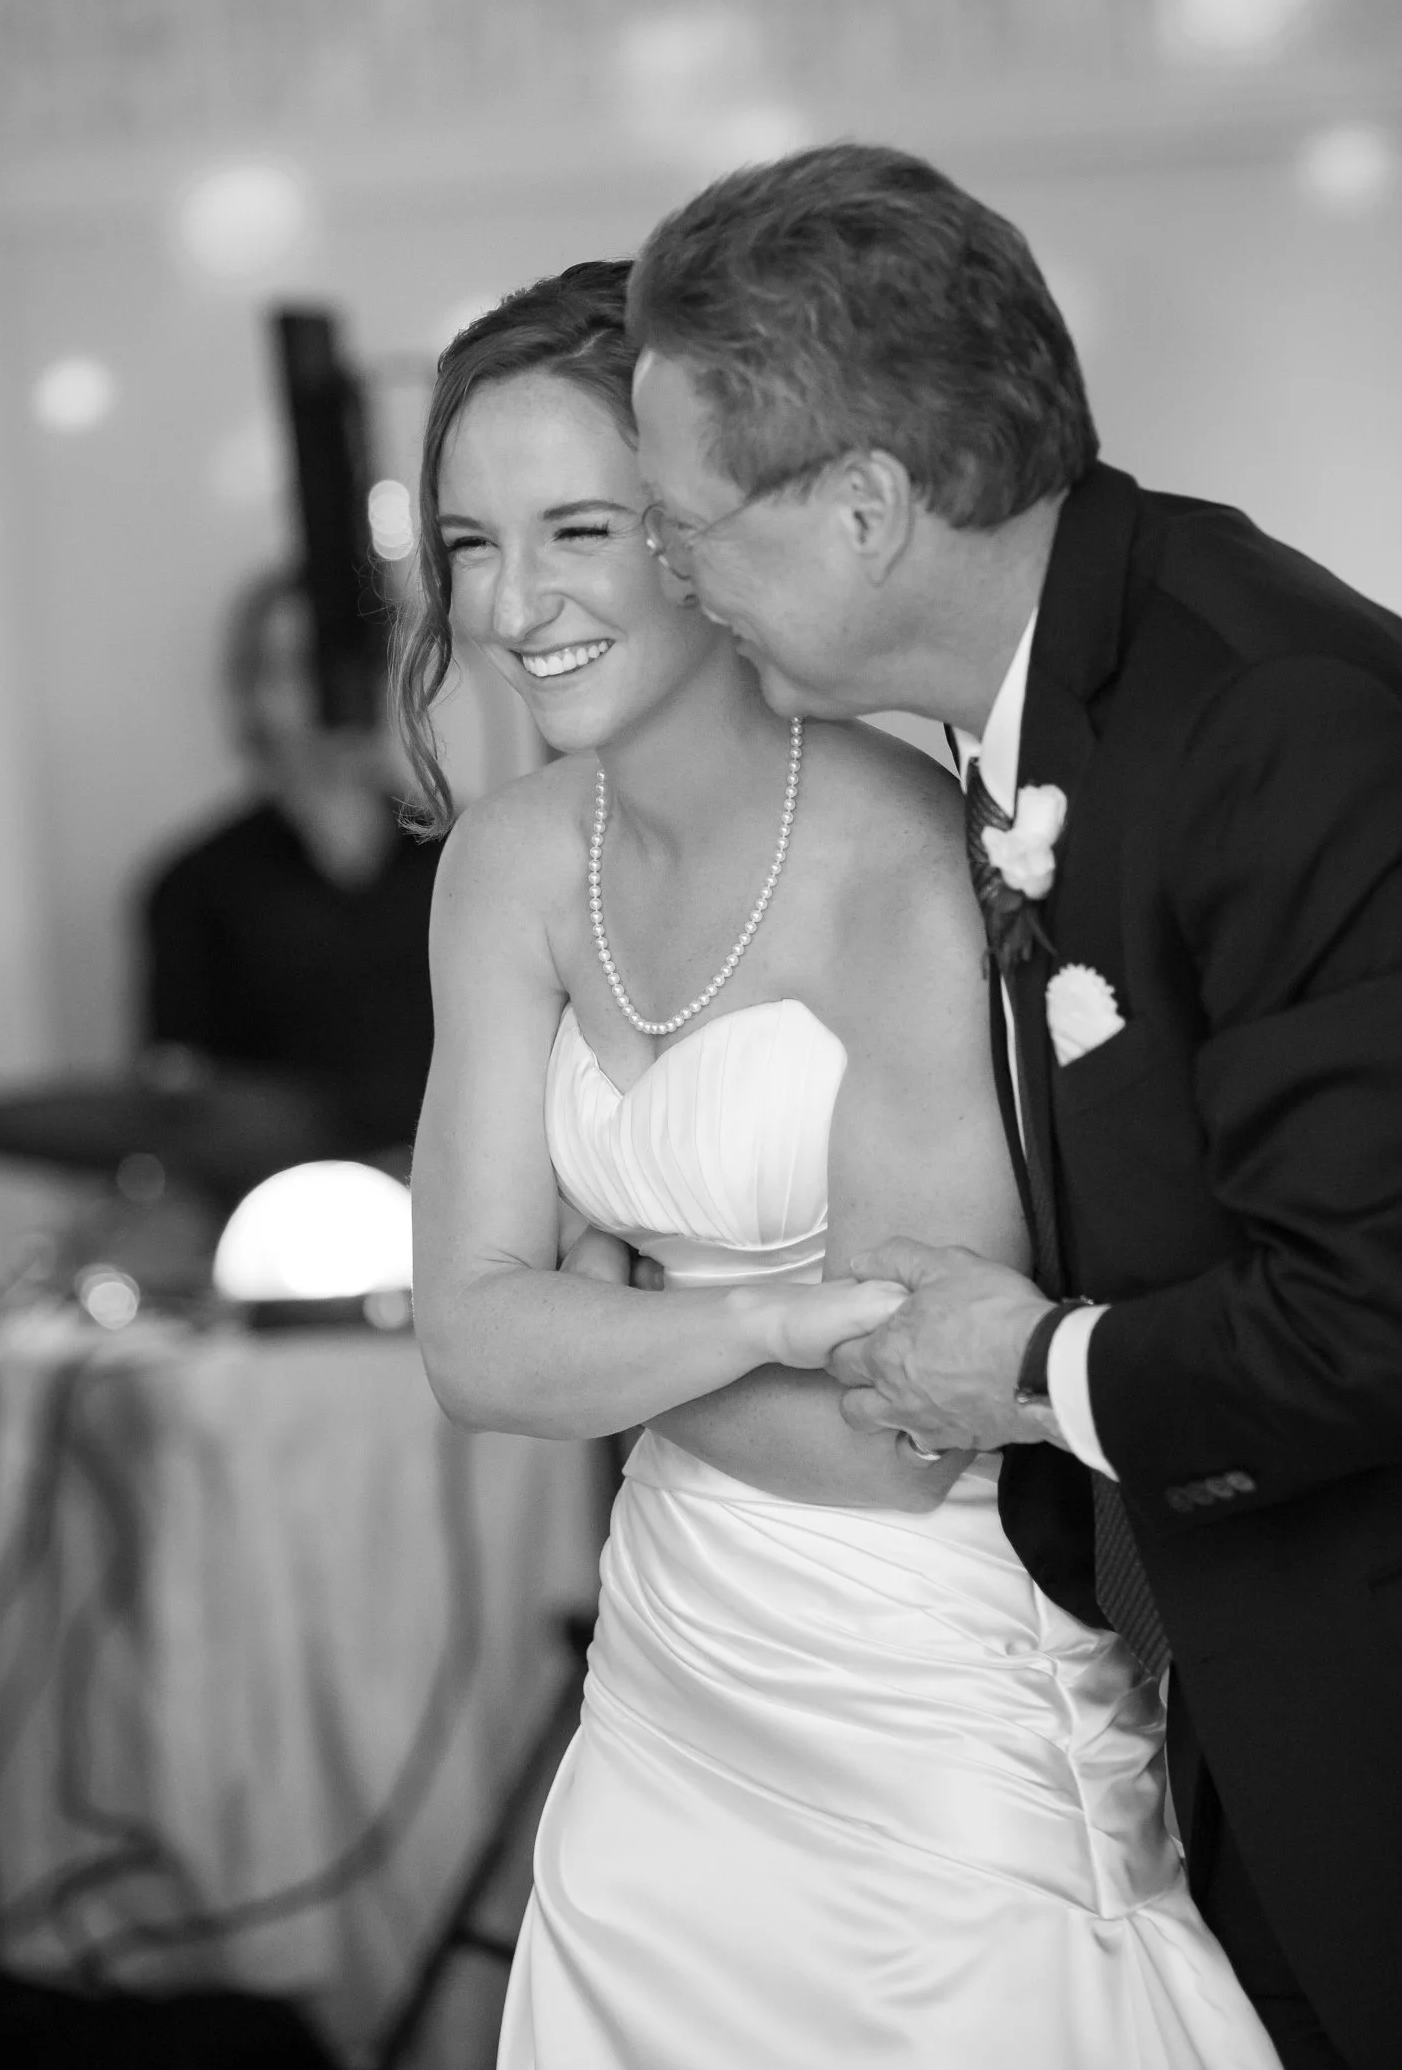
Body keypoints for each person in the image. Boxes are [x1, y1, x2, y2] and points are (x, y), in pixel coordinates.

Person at [402, 263, 1276, 2068]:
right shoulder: (499, 870)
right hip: (668, 1677)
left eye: (575, 527)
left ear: (688, 538)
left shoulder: (896, 859)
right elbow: (465, 1349)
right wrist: (770, 1319)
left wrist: (616, 1315)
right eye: (467, 545)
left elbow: (897, 1445)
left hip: (924, 1675)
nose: (512, 604)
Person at [626, 142, 1402, 2070]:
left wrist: (1030, 1372)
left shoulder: (1274, 724)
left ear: (867, 507)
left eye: (680, 529)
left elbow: (1382, 1311)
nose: (673, 584)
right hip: (1223, 1703)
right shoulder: (1070, 689)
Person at [141, 567, 440, 1162]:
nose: (330, 694)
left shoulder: (470, 858)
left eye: (348, 663)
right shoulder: (195, 886)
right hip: (270, 1215)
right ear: (253, 694)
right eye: (298, 669)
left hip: (455, 1210)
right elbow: (178, 1100)